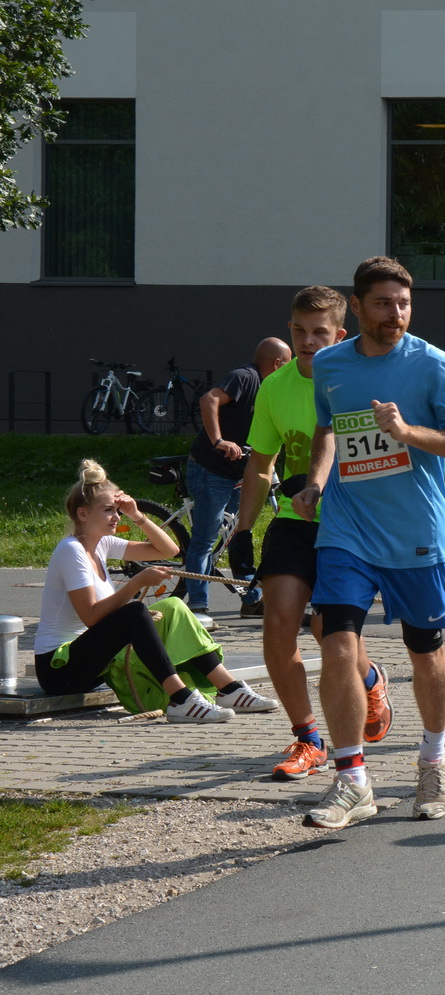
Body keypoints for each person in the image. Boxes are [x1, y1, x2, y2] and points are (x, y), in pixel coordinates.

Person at [292, 256, 445, 830]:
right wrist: (316, 483)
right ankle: (352, 780)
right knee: (337, 646)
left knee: (424, 652)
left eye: (403, 304)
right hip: (347, 530)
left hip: (415, 534)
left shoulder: (433, 366)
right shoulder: (328, 365)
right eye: (382, 303)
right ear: (357, 306)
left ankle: (433, 759)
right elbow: (330, 428)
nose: (395, 314)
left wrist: (406, 434)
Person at [235, 285, 393, 782]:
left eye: (319, 333)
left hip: (350, 522)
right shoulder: (275, 387)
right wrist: (242, 529)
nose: (307, 341)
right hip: (293, 519)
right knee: (278, 623)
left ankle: (369, 680)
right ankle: (307, 738)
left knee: (330, 633)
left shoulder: (357, 378)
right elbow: (261, 465)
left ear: (340, 334)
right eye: (299, 331)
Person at [35, 460, 277, 721]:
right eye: (108, 511)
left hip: (93, 663)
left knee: (172, 606)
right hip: (60, 671)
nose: (116, 517)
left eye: (117, 510)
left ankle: (228, 689)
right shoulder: (71, 550)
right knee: (135, 612)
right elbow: (91, 617)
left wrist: (137, 515)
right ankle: (180, 699)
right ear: (82, 514)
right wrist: (136, 582)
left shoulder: (102, 543)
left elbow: (168, 550)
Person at [184, 337, 290, 615]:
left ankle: (251, 598)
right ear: (277, 362)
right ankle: (197, 606)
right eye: (287, 363)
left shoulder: (274, 389)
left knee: (237, 533)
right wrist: (219, 441)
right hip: (212, 468)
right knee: (206, 538)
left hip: (240, 471)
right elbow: (209, 400)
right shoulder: (246, 377)